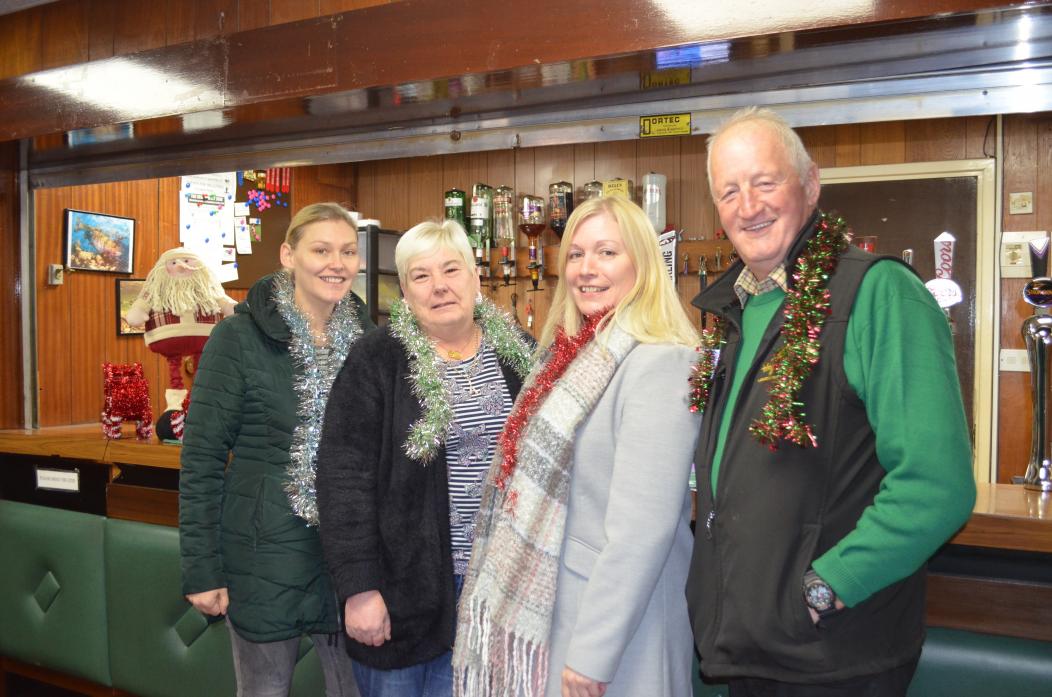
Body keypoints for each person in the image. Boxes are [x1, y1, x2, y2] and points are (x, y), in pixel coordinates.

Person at [685, 106, 977, 695]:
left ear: (810, 184)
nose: (749, 206)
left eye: (766, 183)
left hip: (832, 654)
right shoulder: (732, 313)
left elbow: (937, 486)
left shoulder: (879, 293)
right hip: (747, 648)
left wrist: (825, 588)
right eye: (729, 192)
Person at [453, 196, 701, 697]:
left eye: (607, 252)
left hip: (614, 636)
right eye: (576, 255)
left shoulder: (662, 363)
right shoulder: (569, 356)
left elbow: (641, 533)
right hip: (559, 617)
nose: (587, 270)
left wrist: (592, 655)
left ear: (643, 265)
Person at [315, 219, 533, 697]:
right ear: (406, 292)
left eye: (451, 269)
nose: (439, 286)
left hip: (496, 590)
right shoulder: (376, 360)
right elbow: (341, 480)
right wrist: (360, 589)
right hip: (401, 593)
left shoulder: (519, 354)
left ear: (476, 279)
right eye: (421, 275)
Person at [180, 202, 371, 697]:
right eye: (321, 250)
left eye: (348, 251)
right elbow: (200, 460)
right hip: (262, 558)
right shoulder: (237, 338)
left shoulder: (370, 342)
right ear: (289, 255)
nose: (337, 263)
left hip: (348, 560)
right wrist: (202, 569)